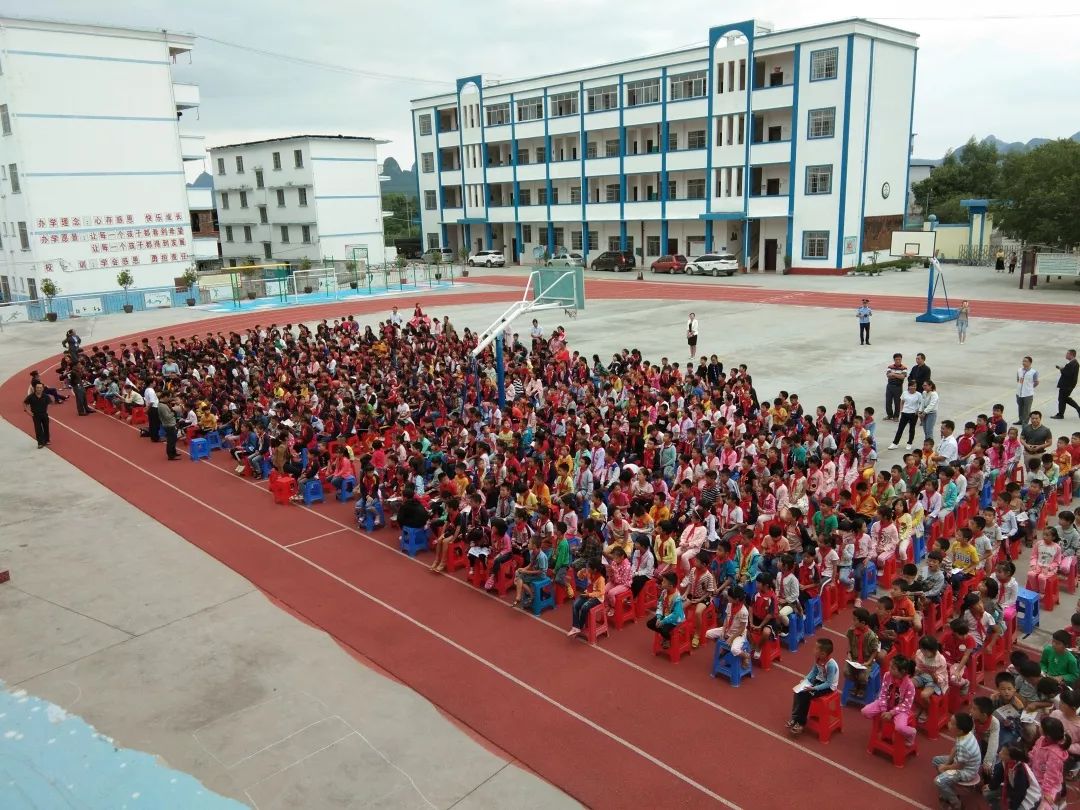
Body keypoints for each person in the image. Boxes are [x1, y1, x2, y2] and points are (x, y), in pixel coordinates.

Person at [861, 655, 917, 745]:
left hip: (900, 710)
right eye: (890, 666)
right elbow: (882, 693)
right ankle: (880, 724)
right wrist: (883, 710)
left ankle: (911, 733)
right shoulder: (887, 675)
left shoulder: (910, 686)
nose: (889, 669)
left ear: (902, 672)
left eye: (893, 668)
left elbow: (906, 705)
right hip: (885, 704)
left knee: (900, 727)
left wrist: (891, 713)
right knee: (865, 711)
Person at [788, 638, 839, 736]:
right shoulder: (818, 659)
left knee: (805, 696)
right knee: (798, 691)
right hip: (819, 681)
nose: (813, 649)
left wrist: (814, 688)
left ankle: (801, 723)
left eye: (816, 648)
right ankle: (795, 718)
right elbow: (814, 671)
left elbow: (828, 683)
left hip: (827, 687)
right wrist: (806, 679)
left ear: (823, 653)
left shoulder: (831, 665)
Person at [932, 712, 982, 809]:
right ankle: (946, 788)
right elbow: (955, 749)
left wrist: (945, 767)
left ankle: (956, 803)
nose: (949, 723)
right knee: (936, 761)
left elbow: (959, 766)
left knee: (938, 781)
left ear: (959, 730)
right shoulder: (966, 733)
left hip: (966, 771)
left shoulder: (964, 745)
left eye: (952, 723)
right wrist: (946, 764)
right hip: (960, 762)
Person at [983, 744, 1042, 810]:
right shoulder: (1006, 762)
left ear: (1011, 758)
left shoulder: (1020, 771)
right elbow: (998, 776)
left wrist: (1012, 807)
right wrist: (990, 786)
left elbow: (1020, 794)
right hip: (1012, 787)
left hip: (1027, 796)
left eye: (1003, 753)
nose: (1000, 753)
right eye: (1002, 750)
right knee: (986, 793)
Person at [568, 557, 606, 637]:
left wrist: (589, 595)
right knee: (575, 605)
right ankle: (576, 627)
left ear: (594, 569)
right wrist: (580, 572)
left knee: (584, 607)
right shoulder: (589, 572)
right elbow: (580, 577)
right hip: (588, 593)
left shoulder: (601, 579)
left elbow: (601, 592)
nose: (587, 568)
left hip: (597, 598)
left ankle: (580, 626)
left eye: (589, 567)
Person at [647, 571, 684, 647]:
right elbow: (660, 604)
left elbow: (675, 615)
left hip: (674, 619)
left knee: (663, 630)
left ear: (670, 586)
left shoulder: (677, 598)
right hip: (665, 615)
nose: (661, 583)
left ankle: (668, 638)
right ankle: (665, 634)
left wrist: (663, 621)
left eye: (664, 582)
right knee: (650, 624)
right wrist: (658, 617)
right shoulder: (664, 592)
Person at [889, 380, 922, 451]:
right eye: (912, 386)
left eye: (915, 386)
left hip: (913, 414)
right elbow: (902, 402)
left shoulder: (918, 394)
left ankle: (909, 443)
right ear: (909, 386)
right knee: (900, 429)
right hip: (905, 413)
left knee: (912, 429)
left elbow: (921, 403)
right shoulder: (905, 393)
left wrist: (917, 411)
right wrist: (901, 410)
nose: (913, 387)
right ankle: (895, 443)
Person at [1052, 349, 1080, 421]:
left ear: (1071, 355)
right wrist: (1063, 369)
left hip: (1066, 385)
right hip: (1068, 385)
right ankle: (1077, 409)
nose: (1066, 355)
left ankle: (1061, 414)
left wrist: (1061, 369)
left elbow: (1067, 374)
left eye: (1067, 354)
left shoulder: (1072, 364)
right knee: (1064, 398)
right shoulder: (1073, 363)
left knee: (1062, 399)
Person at [22, 381, 51, 449]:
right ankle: (40, 443)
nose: (39, 389)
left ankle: (47, 440)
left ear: (43, 388)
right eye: (37, 387)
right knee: (38, 429)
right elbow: (24, 403)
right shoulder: (31, 396)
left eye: (40, 388)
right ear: (35, 388)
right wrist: (27, 411)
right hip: (36, 415)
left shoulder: (46, 396)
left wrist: (46, 410)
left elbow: (49, 403)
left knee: (46, 427)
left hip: (44, 414)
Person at [1015, 356, 1039, 427]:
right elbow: (1018, 379)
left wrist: (1030, 388)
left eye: (1025, 361)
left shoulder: (1033, 372)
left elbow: (1036, 382)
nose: (1023, 363)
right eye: (1023, 361)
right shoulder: (1019, 370)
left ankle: (1025, 422)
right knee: (1020, 407)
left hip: (1028, 394)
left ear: (1030, 363)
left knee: (1027, 409)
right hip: (1019, 393)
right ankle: (1020, 420)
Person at [884, 353, 908, 421]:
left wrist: (893, 374)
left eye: (899, 359)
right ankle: (889, 415)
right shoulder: (890, 366)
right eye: (896, 359)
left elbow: (902, 377)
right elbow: (888, 375)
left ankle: (896, 416)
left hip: (898, 387)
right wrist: (898, 375)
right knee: (888, 401)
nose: (898, 361)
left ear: (901, 359)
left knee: (897, 402)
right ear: (894, 360)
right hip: (890, 386)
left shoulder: (904, 368)